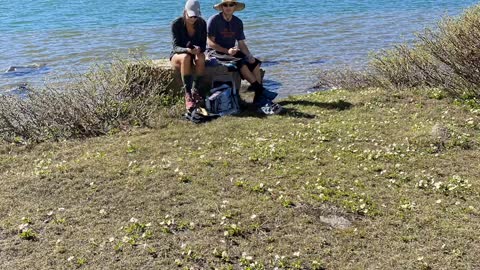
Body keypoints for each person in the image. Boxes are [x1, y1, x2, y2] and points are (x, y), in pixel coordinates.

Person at [206, 0, 282, 115]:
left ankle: (258, 98)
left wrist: (249, 55)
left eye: (231, 5)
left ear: (235, 7)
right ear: (221, 7)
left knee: (255, 63)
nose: (228, 7)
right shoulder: (214, 20)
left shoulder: (238, 22)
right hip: (215, 52)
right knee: (241, 63)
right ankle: (261, 91)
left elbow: (241, 44)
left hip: (232, 52)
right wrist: (227, 50)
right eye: (225, 5)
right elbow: (210, 43)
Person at [170, 0, 207, 113]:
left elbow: (203, 46)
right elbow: (175, 47)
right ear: (185, 12)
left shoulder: (202, 24)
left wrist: (198, 49)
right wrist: (187, 50)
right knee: (186, 57)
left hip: (195, 53)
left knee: (201, 57)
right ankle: (188, 94)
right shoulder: (176, 24)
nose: (193, 19)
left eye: (195, 16)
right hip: (179, 55)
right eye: (190, 16)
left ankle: (196, 91)